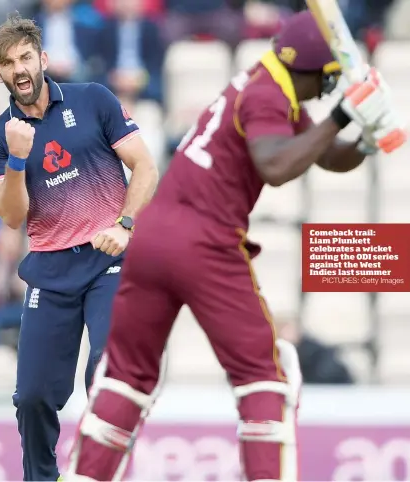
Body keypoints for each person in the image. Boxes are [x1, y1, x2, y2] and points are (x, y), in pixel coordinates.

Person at [66, 10, 406, 482]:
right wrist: (345, 113)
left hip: (152, 240)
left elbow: (322, 152)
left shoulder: (271, 79)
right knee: (267, 376)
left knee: (127, 376)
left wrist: (365, 138)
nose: (328, 90)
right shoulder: (268, 97)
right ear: (313, 71)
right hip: (203, 242)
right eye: (328, 82)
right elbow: (275, 165)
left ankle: (83, 476)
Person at [0, 14, 158, 481]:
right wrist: (18, 157)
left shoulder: (92, 98)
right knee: (33, 396)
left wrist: (125, 225)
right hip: (50, 268)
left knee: (106, 372)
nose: (19, 70)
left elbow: (145, 167)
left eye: (24, 58)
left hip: (109, 259)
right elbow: (13, 216)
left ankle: (100, 473)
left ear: (42, 59)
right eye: (7, 63)